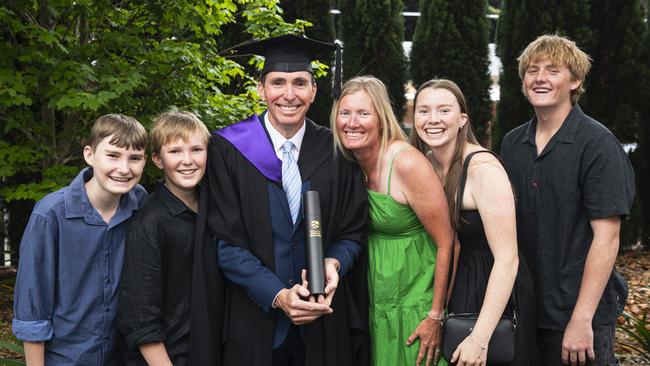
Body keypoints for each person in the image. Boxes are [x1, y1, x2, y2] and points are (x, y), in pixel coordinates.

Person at [191, 34, 370, 366]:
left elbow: (353, 231)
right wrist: (277, 294)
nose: (289, 95)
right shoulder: (230, 149)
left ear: (314, 91)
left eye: (300, 83)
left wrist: (334, 263)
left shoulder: (336, 152)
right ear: (261, 89)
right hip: (254, 323)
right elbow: (224, 242)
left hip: (323, 322)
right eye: (278, 83)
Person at [500, 34, 634, 366]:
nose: (540, 78)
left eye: (552, 70)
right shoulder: (512, 144)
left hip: (579, 315)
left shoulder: (598, 145)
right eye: (532, 70)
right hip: (527, 312)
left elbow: (607, 238)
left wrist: (582, 319)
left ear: (574, 80)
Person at [411, 79, 537, 365]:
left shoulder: (483, 169)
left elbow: (508, 259)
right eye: (423, 111)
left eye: (444, 110)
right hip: (457, 285)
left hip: (490, 291)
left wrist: (480, 337)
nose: (433, 119)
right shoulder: (426, 163)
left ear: (462, 118)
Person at [332, 75, 454, 366]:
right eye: (345, 113)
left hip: (416, 303)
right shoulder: (350, 164)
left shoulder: (406, 163)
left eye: (363, 113)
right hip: (379, 300)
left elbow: (448, 242)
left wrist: (435, 315)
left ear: (381, 118)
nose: (352, 122)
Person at [12, 114, 148, 365]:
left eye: (135, 158)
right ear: (89, 155)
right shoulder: (51, 215)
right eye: (113, 155)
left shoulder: (140, 204)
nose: (124, 168)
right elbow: (32, 310)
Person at [117, 111, 210, 365]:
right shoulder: (150, 223)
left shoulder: (216, 210)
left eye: (196, 150)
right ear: (157, 159)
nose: (187, 160)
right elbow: (140, 318)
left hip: (206, 350)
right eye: (175, 152)